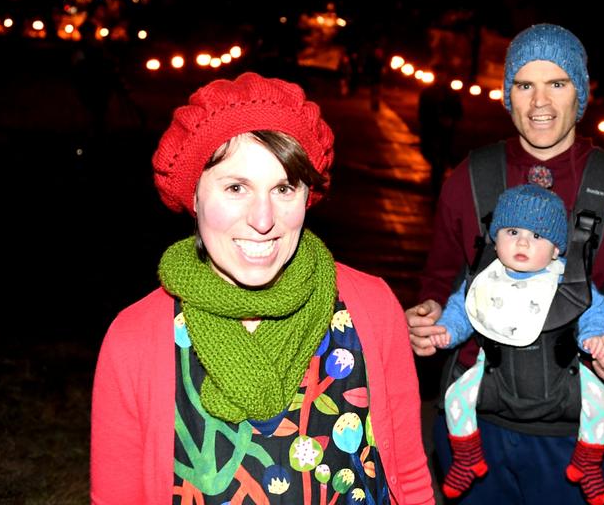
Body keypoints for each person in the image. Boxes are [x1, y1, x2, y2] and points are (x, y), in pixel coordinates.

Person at [91, 71, 435, 505]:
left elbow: (408, 474)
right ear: (194, 196)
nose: (263, 218)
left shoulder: (372, 306)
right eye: (236, 187)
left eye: (283, 188)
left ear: (308, 195)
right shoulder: (134, 339)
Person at [406, 23, 604, 504]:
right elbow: (440, 276)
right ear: (506, 95)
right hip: (473, 423)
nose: (540, 102)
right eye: (524, 84)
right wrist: (428, 313)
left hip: (578, 436)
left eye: (557, 83)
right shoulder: (468, 179)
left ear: (581, 93)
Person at [430, 184, 604, 504]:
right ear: (495, 237)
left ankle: (588, 462)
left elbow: (593, 307)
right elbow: (462, 307)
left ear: (557, 249)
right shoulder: (484, 277)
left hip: (562, 377)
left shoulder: (567, 279)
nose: (523, 242)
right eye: (512, 231)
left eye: (537, 236)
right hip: (492, 374)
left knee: (603, 405)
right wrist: (448, 330)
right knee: (455, 398)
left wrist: (595, 335)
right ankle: (466, 457)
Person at [418, 73, 464, 197]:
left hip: (445, 132)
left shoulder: (452, 94)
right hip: (431, 129)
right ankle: (437, 180)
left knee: (440, 158)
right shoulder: (428, 92)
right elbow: (423, 111)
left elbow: (458, 111)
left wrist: (450, 120)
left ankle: (437, 184)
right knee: (431, 154)